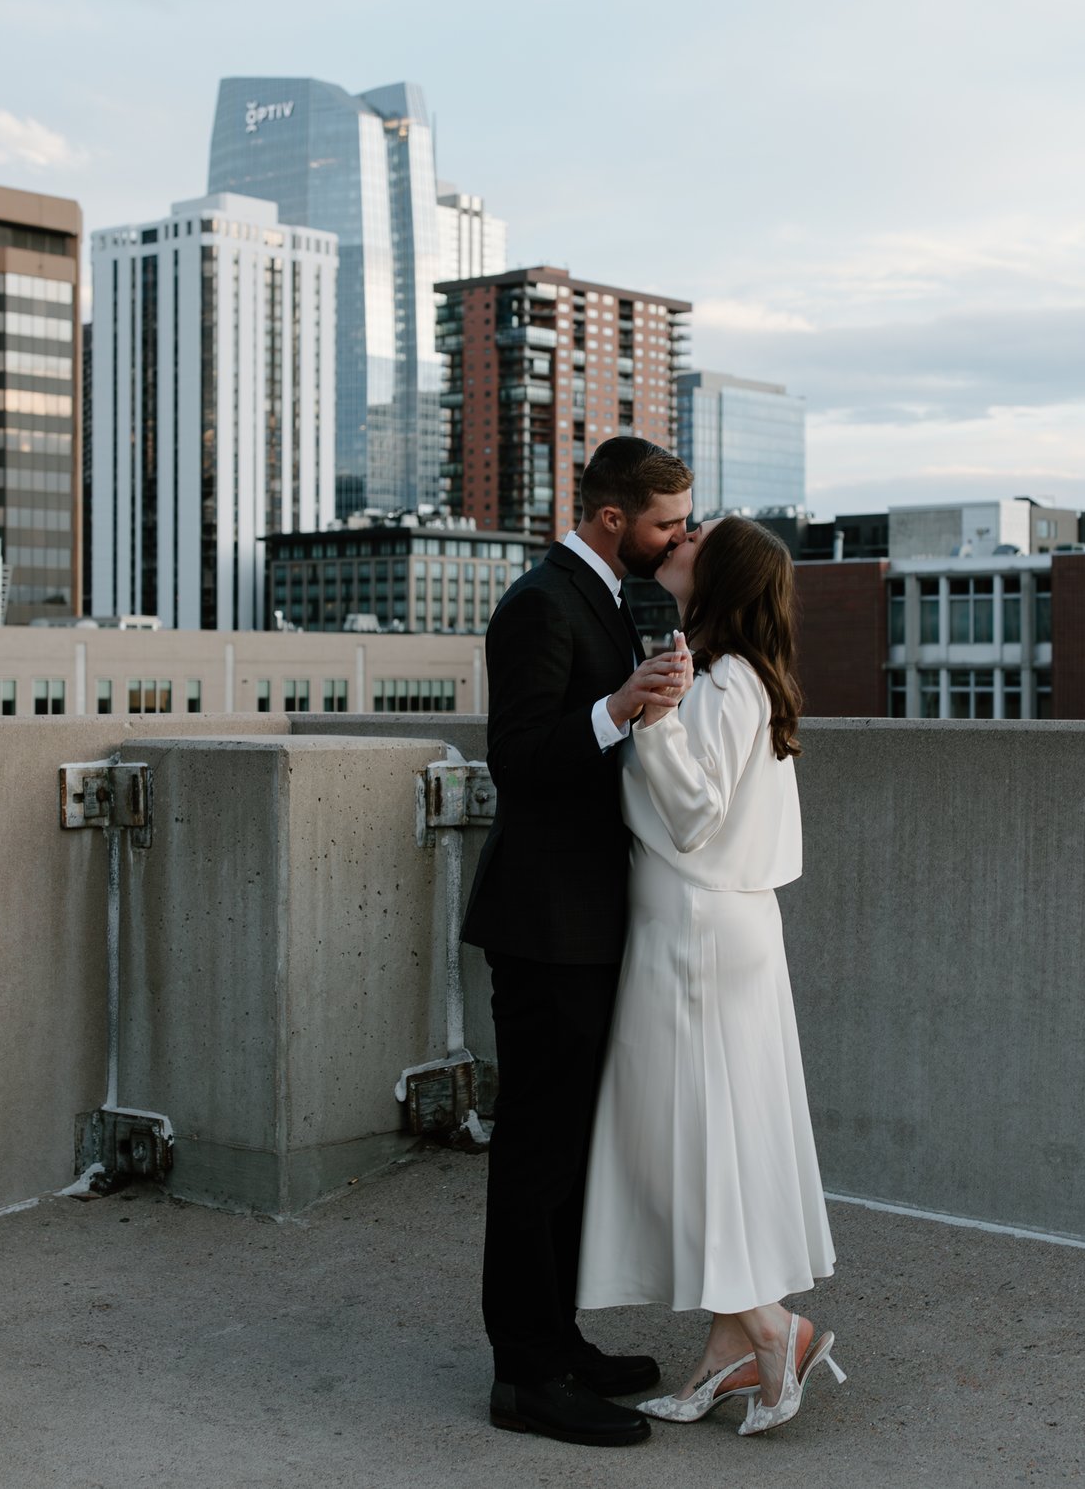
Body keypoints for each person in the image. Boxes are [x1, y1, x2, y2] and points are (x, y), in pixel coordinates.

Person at [576, 514, 844, 1437]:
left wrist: (648, 714)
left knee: (692, 1136)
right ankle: (732, 1340)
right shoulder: (730, 674)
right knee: (709, 1135)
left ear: (718, 571)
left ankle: (772, 1328)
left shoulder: (727, 681)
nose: (678, 540)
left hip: (698, 928)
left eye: (696, 536)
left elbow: (692, 810)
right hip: (707, 926)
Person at [464, 437, 696, 1448]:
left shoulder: (606, 595)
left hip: (588, 921)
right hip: (543, 925)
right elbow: (514, 759)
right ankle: (524, 1373)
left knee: (567, 1151)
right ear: (612, 517)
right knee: (535, 1153)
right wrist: (619, 705)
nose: (676, 537)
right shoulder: (537, 602)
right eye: (664, 523)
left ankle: (558, 1340)